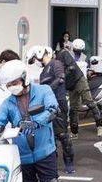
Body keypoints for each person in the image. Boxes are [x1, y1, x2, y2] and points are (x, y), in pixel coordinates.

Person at [0, 60, 79, 182]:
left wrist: (37, 121)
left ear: (24, 79)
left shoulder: (44, 91)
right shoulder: (8, 103)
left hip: (45, 151)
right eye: (8, 85)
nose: (12, 87)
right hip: (22, 155)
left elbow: (53, 109)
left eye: (14, 83)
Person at [27, 46, 75, 174]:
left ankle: (69, 162)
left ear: (40, 54)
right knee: (50, 135)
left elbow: (61, 77)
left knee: (62, 134)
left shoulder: (55, 63)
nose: (36, 62)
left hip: (59, 101)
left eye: (35, 59)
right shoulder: (43, 73)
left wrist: (47, 89)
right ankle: (52, 163)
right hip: (47, 105)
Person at [56, 42, 102, 138]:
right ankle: (74, 133)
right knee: (73, 108)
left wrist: (62, 76)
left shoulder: (64, 54)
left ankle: (100, 126)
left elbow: (71, 68)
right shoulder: (54, 64)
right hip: (71, 85)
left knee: (89, 102)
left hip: (79, 80)